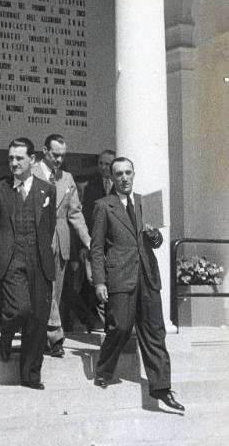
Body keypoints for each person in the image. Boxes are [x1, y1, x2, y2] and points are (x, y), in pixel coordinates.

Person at [90, 157, 185, 411]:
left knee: (155, 332)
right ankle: (104, 369)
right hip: (120, 276)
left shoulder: (145, 201)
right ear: (112, 178)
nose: (124, 178)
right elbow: (96, 248)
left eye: (128, 173)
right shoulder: (103, 206)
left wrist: (154, 233)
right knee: (120, 326)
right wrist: (99, 281)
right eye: (118, 174)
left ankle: (162, 388)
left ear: (134, 174)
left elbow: (156, 242)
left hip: (147, 275)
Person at [0, 137, 56, 389]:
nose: (13, 163)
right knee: (20, 309)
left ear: (32, 160)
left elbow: (49, 224)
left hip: (39, 260)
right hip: (12, 259)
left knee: (38, 320)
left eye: (19, 158)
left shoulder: (46, 189)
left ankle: (30, 376)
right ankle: (6, 334)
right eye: (10, 158)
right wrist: (6, 251)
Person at [32, 134, 91, 357]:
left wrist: (88, 240)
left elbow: (75, 213)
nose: (59, 160)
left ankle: (46, 338)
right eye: (55, 155)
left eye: (62, 156)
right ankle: (55, 337)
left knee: (55, 295)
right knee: (47, 290)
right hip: (38, 239)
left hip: (62, 241)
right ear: (44, 151)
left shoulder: (67, 178)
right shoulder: (31, 172)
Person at [81, 149, 117, 330]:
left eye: (107, 164)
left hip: (115, 244)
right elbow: (86, 217)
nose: (103, 167)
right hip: (96, 243)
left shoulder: (121, 185)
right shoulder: (90, 188)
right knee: (94, 282)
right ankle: (98, 324)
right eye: (101, 163)